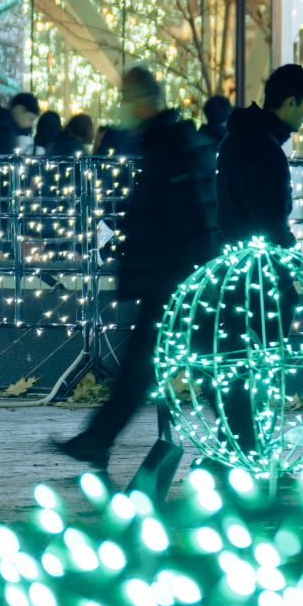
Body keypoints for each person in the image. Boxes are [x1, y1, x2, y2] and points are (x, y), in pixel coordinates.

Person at [55, 66, 217, 474]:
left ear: (144, 100)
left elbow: (180, 212)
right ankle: (98, 439)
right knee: (175, 365)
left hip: (174, 278)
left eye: (127, 96)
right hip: (177, 275)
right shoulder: (166, 140)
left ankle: (99, 440)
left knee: (165, 365)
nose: (122, 105)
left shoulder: (169, 143)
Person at [216, 63, 303, 245]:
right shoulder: (267, 151)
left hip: (232, 253)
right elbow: (271, 224)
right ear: (290, 102)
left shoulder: (235, 138)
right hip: (260, 262)